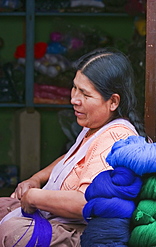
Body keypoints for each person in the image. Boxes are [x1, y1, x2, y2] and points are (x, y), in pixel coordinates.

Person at [0, 48, 147, 246]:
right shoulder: (95, 126)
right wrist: (37, 178)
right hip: (56, 218)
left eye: (85, 94)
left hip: (76, 231)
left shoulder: (116, 136)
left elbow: (85, 203)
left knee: (13, 233)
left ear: (113, 101)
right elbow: (72, 158)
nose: (74, 99)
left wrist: (35, 196)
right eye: (75, 88)